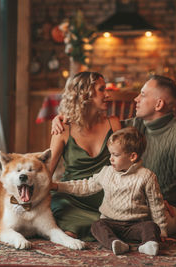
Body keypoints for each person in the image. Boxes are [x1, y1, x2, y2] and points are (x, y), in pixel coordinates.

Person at [52, 75, 176, 238]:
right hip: (145, 201)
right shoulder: (133, 126)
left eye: (142, 95)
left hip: (171, 208)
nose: (135, 99)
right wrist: (61, 118)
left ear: (158, 104)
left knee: (131, 215)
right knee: (124, 212)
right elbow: (96, 128)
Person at [51, 127, 167, 256]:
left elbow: (156, 204)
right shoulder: (106, 172)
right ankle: (115, 243)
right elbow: (85, 186)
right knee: (97, 226)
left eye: (115, 155)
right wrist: (57, 186)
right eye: (110, 154)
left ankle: (148, 244)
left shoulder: (146, 176)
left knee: (151, 227)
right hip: (110, 223)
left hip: (135, 225)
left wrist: (161, 230)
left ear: (132, 156)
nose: (111, 159)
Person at [48, 71, 121, 241]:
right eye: (102, 90)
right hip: (70, 198)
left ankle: (84, 229)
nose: (107, 95)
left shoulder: (114, 124)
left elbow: (127, 167)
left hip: (105, 199)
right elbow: (46, 172)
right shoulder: (63, 130)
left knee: (109, 220)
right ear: (84, 94)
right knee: (64, 216)